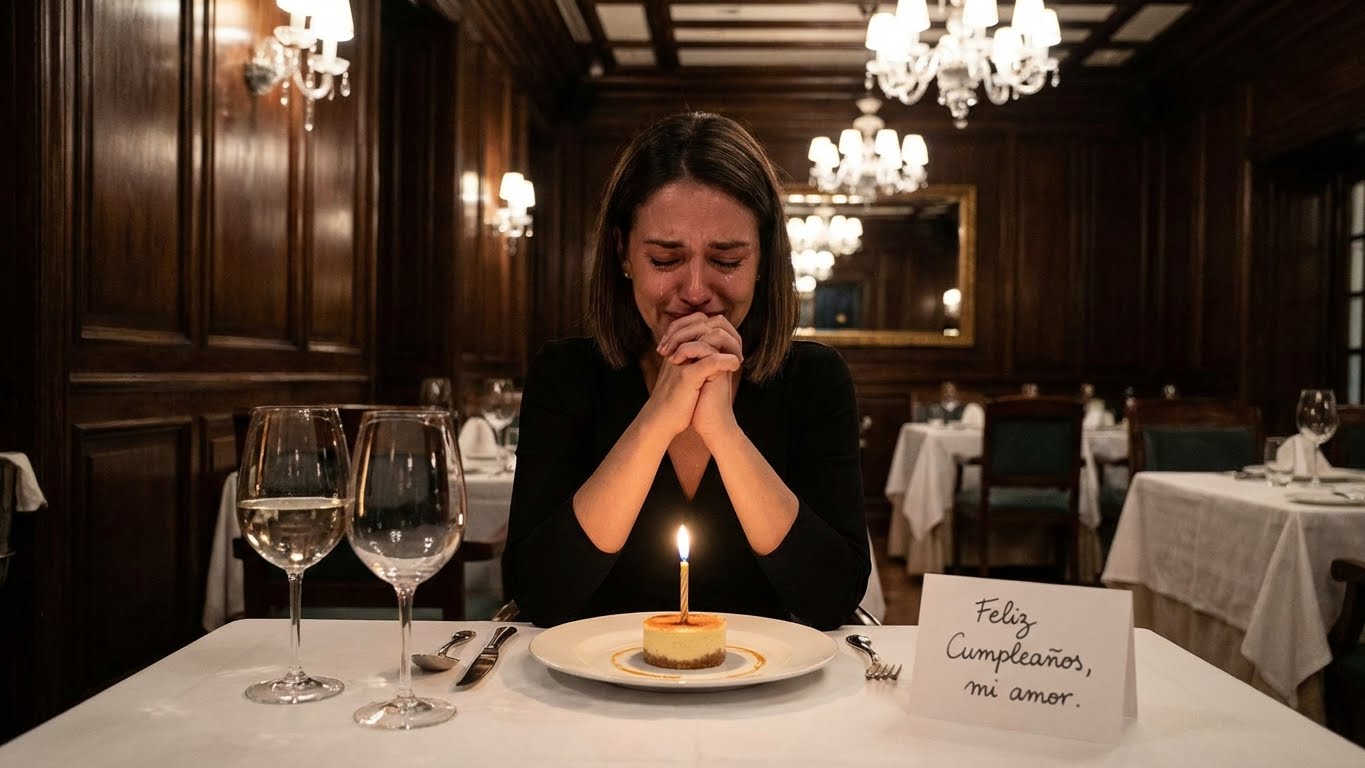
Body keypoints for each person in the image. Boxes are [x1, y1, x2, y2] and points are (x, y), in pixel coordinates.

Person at [502, 112, 869, 630]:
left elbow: (830, 599)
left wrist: (723, 432)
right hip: (592, 694)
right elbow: (541, 595)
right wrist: (656, 422)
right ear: (622, 253)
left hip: (768, 692)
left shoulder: (814, 378)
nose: (696, 290)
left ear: (763, 260)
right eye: (665, 259)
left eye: (726, 260)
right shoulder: (565, 374)